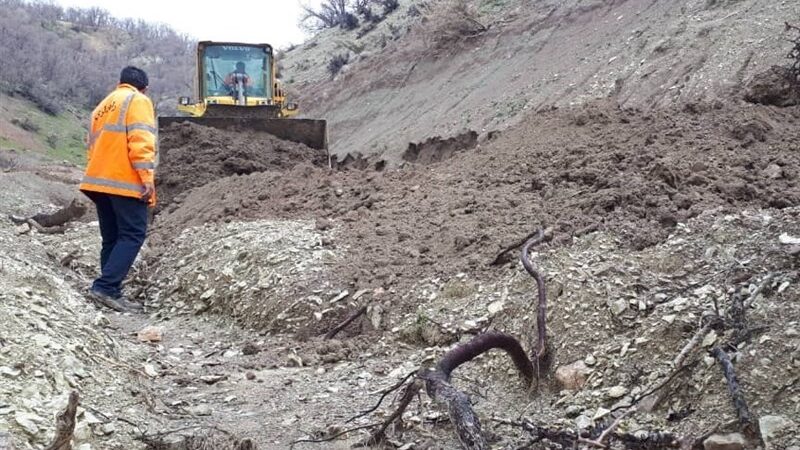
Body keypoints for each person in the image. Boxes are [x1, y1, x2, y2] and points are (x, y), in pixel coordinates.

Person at [79, 66, 157, 312]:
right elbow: (141, 140)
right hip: (123, 180)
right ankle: (106, 287)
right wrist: (146, 177)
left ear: (119, 82)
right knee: (133, 234)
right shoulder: (138, 100)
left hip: (98, 181)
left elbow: (91, 147)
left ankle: (109, 289)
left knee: (112, 237)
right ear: (144, 87)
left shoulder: (102, 106)